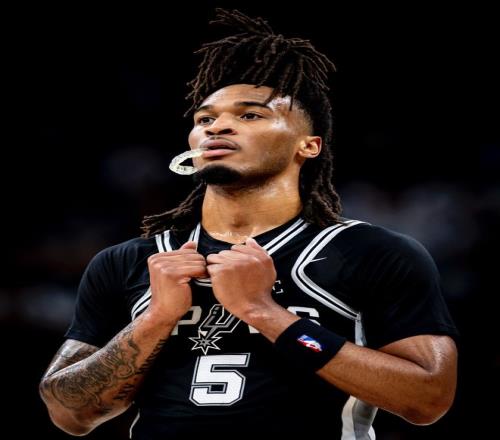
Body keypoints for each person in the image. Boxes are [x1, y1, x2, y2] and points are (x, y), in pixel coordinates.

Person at [39, 9, 458, 439]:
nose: (218, 126)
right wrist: (155, 319)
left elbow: (427, 399)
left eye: (250, 115)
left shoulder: (371, 253)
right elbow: (69, 413)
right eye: (205, 119)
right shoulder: (128, 261)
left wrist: (265, 313)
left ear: (308, 146)